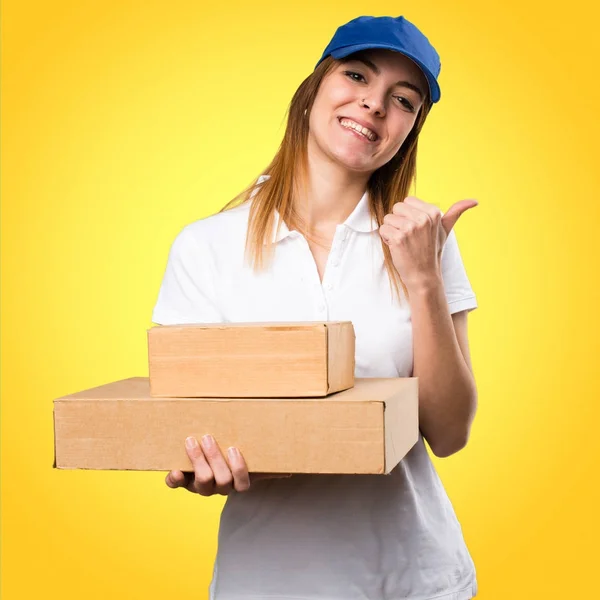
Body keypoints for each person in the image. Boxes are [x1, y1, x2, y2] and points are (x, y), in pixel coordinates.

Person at [153, 14, 479, 600]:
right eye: (356, 75)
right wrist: (198, 464)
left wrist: (424, 279)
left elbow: (450, 432)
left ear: (410, 129)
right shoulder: (205, 248)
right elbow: (186, 423)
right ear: (313, 91)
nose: (374, 104)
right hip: (268, 581)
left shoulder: (423, 241)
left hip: (415, 579)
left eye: (401, 99)